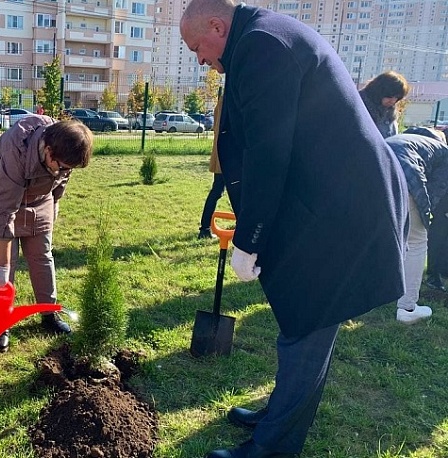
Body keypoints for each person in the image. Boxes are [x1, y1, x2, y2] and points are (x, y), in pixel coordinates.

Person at [179, 2, 407, 457]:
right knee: (299, 320)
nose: (200, 59)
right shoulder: (264, 36)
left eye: (196, 47)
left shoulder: (263, 45)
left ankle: (272, 447)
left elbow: (269, 151)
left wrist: (250, 238)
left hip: (340, 214)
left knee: (306, 324)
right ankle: (279, 414)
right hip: (327, 202)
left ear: (217, 27)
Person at [0, 115, 93, 352]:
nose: (65, 172)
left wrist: (54, 206)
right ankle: (0, 322)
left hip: (39, 197)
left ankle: (48, 314)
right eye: (63, 166)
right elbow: (4, 212)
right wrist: (1, 268)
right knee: (5, 260)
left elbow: (60, 182)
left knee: (41, 254)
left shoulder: (64, 151)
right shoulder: (17, 150)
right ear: (48, 150)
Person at [386, 127, 448, 324]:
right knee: (417, 240)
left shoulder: (404, 139)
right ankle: (408, 307)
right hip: (406, 175)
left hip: (374, 170)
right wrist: (426, 216)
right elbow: (433, 192)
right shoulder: (444, 153)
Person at [198, 90, 224, 239]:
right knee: (238, 195)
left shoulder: (221, 102)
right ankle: (205, 228)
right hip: (229, 157)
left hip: (221, 155)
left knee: (216, 191)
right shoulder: (229, 102)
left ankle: (204, 228)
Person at [359, 71, 409, 139]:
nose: (393, 101)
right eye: (389, 96)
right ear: (379, 91)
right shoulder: (360, 108)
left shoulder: (390, 113)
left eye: (397, 98)